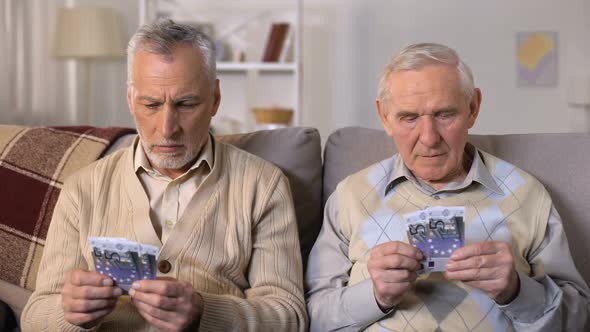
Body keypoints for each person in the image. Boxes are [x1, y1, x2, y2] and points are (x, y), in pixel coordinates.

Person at [21, 20, 307, 331]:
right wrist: (69, 314)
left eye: (185, 104)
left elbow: (289, 317)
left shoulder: (262, 185)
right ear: (131, 100)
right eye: (151, 104)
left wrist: (203, 312)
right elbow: (35, 315)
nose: (168, 128)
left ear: (215, 98)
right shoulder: (83, 188)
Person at [305, 43, 590, 331]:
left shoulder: (526, 194)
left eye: (444, 114)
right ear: (385, 117)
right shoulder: (351, 195)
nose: (429, 138)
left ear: (473, 108)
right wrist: (374, 295)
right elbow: (313, 317)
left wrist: (516, 291)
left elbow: (578, 319)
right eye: (409, 117)